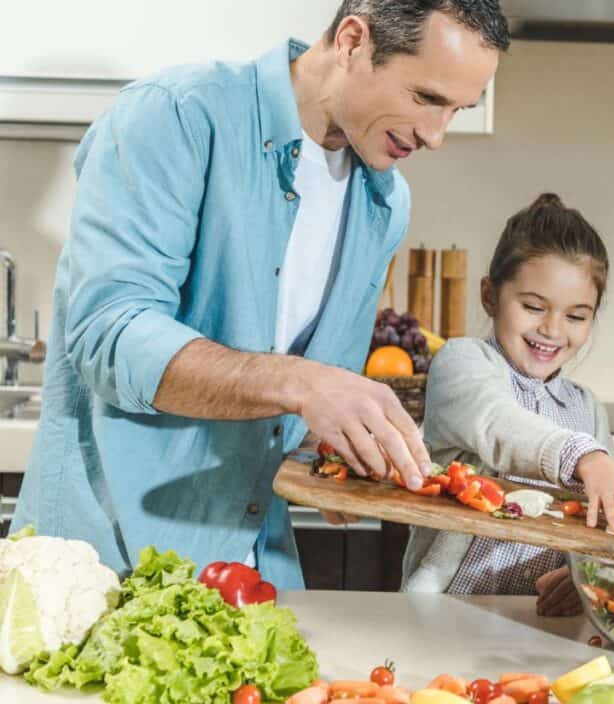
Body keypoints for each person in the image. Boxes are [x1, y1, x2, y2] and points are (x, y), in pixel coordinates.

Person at [12, 0, 509, 589]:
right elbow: (110, 337)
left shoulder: (384, 200)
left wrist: (334, 457)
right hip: (105, 566)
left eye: (457, 109)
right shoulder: (176, 117)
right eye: (425, 98)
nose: (436, 135)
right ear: (353, 41)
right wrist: (302, 384)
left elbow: (304, 407)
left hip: (254, 571)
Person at [403, 193, 614, 615]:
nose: (551, 329)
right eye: (532, 307)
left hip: (541, 616)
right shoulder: (463, 363)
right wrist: (586, 458)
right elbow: (498, 425)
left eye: (576, 316)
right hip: (447, 611)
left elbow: (597, 524)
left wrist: (588, 571)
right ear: (490, 296)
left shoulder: (588, 410)